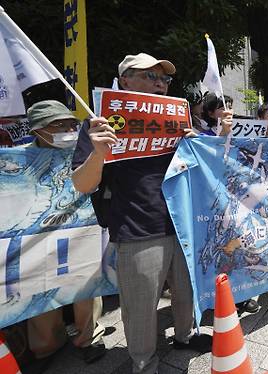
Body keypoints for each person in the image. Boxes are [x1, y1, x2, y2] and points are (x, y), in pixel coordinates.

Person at [71, 53, 208, 374]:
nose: (160, 84)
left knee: (186, 290)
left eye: (164, 79)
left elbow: (198, 172)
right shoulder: (98, 124)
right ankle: (144, 363)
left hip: (182, 222)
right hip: (137, 229)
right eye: (151, 76)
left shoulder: (179, 120)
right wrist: (99, 154)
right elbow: (82, 184)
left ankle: (185, 335)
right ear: (125, 80)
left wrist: (197, 146)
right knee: (141, 307)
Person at [23, 100, 106, 369]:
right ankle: (47, 345)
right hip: (35, 237)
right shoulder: (17, 160)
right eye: (58, 125)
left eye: (71, 123)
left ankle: (88, 336)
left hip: (79, 230)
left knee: (85, 286)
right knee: (40, 289)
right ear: (38, 130)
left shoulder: (83, 150)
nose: (68, 129)